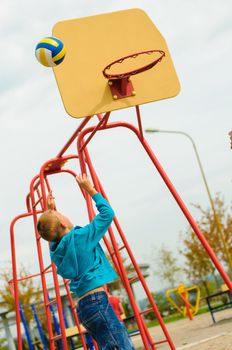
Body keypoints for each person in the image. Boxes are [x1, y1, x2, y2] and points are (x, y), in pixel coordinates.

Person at [37, 174, 134, 349]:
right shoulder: (81, 238)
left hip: (83, 308)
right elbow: (107, 214)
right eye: (60, 214)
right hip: (97, 301)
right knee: (122, 346)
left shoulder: (56, 251)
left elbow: (55, 237)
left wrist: (50, 211)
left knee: (111, 345)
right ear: (62, 221)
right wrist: (91, 190)